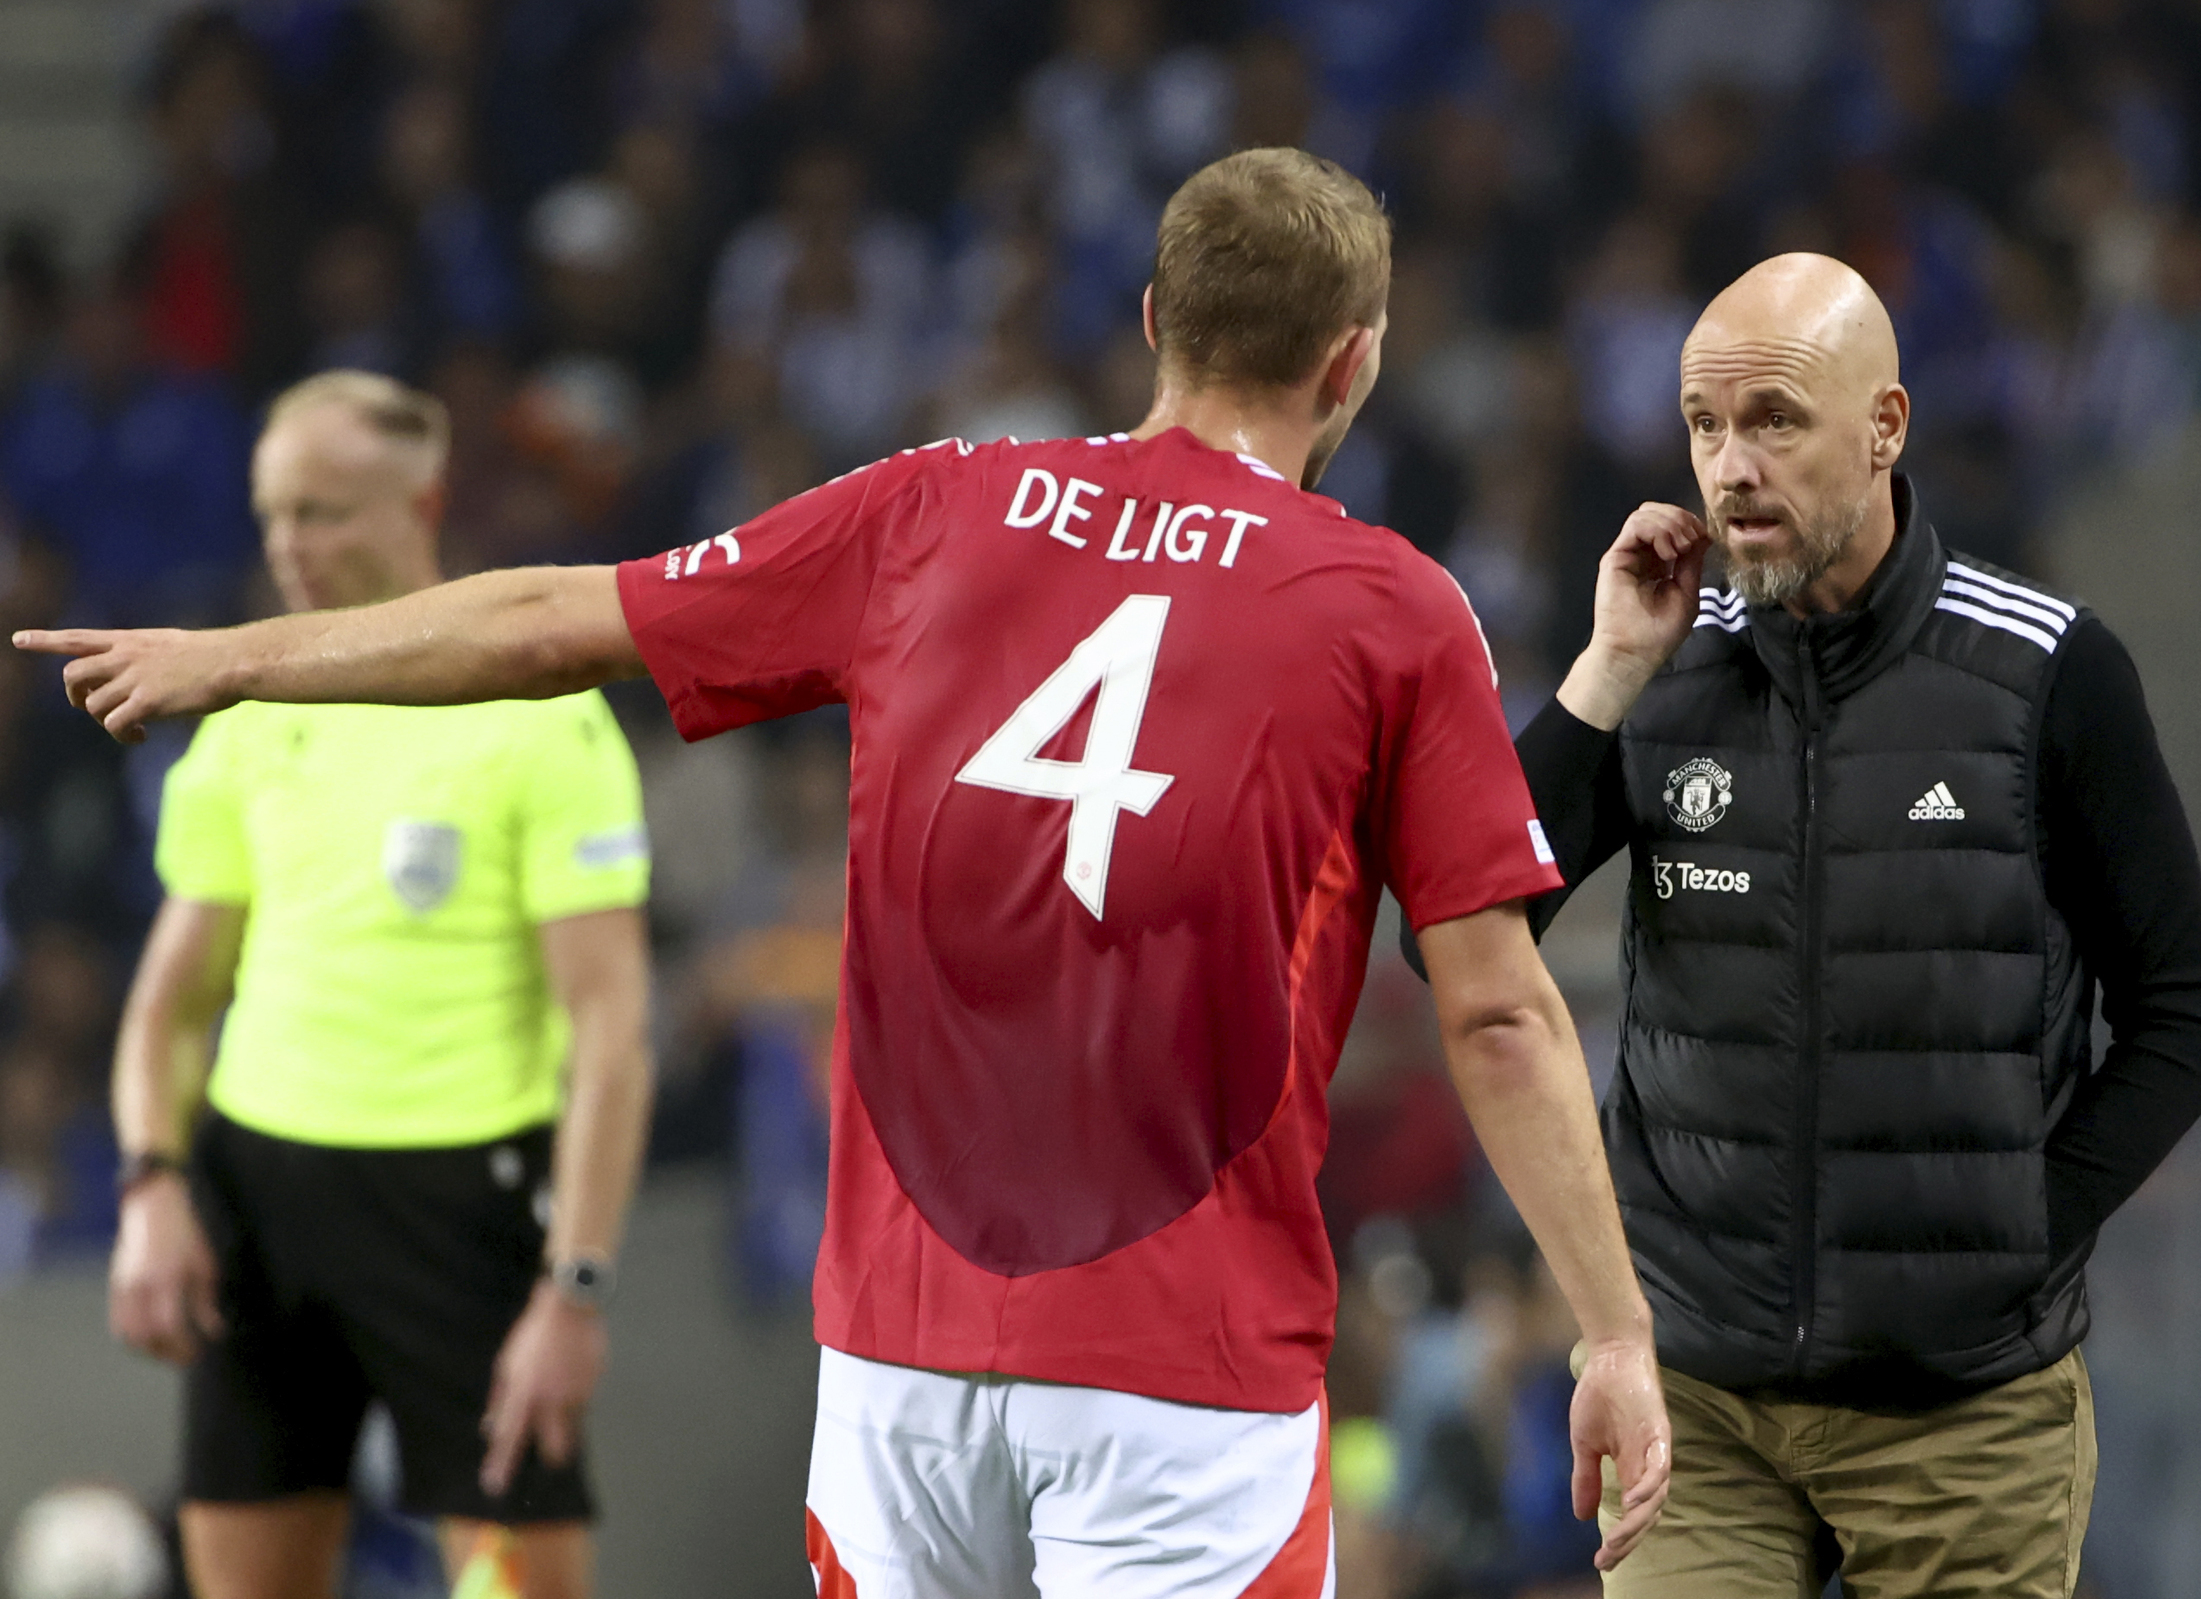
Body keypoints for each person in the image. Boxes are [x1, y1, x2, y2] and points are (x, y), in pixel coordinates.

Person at [21, 149, 1672, 1596]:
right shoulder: (1392, 608)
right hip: (1187, 1368)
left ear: (1153, 322)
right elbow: (1499, 1012)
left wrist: (236, 656)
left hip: (898, 1360)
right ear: (1356, 359)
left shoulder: (934, 507)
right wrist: (1611, 1326)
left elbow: (548, 618)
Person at [1511, 254, 2201, 1595]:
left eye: (1774, 420)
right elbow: (1469, 929)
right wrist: (1604, 672)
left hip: (1962, 1412)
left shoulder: (2046, 671)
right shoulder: (1659, 665)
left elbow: (2182, 1019)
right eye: (1704, 425)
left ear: (1886, 426)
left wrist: (2016, 1241)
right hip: (1694, 1401)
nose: (1730, 468)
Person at [101, 372, 654, 1599]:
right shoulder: (245, 718)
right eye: (272, 513)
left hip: (462, 1211)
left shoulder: (537, 719)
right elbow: (171, 1005)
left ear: (425, 502)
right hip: (261, 1199)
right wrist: (151, 1182)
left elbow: (611, 1031)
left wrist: (575, 1289)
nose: (289, 545)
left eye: (324, 511)